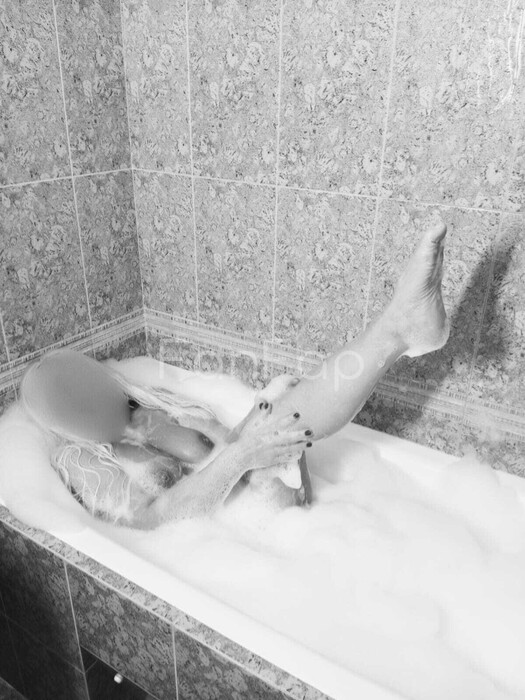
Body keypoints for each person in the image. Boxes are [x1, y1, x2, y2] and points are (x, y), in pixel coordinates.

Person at [20, 222, 449, 529]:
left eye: (86, 382)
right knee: (281, 417)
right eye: (71, 399)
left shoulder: (149, 404)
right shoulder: (80, 461)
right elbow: (149, 523)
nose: (89, 396)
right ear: (62, 421)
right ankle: (399, 328)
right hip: (228, 541)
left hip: (262, 517)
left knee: (283, 407)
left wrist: (254, 427)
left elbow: (226, 448)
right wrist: (245, 454)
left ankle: (399, 329)